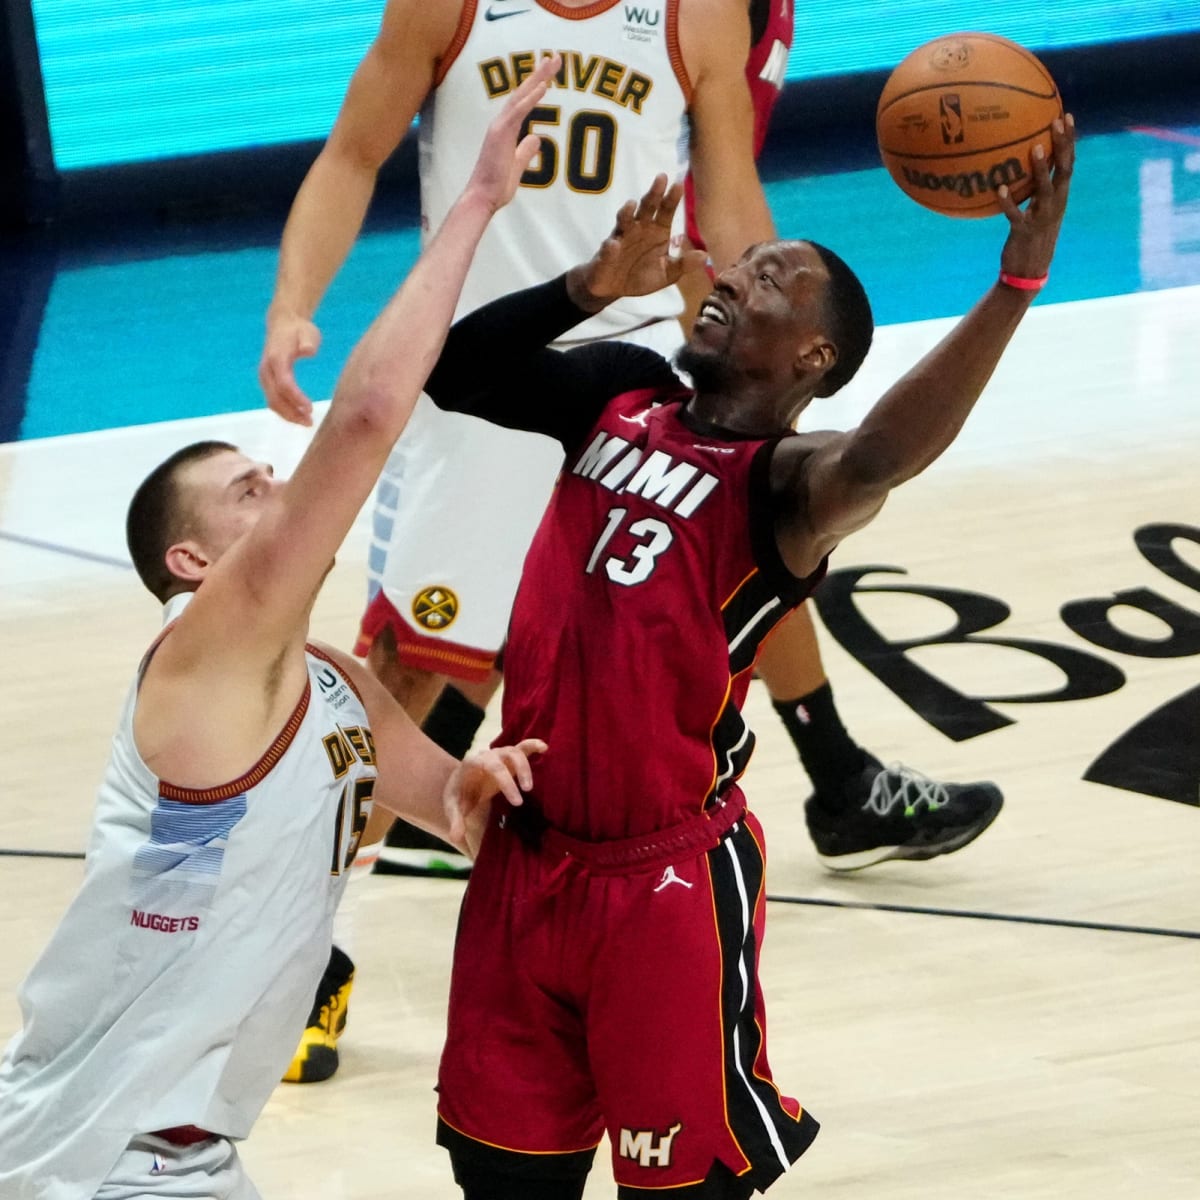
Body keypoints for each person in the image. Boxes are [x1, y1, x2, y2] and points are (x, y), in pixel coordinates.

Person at [259, 0, 1001, 1080]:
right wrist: (292, 304)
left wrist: (765, 321)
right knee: (410, 670)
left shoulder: (692, 16)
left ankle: (834, 779)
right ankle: (312, 958)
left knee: (747, 555)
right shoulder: (449, 7)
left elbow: (733, 191)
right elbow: (353, 152)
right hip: (490, 358)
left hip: (640, 356)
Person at [427, 121, 1075, 1198]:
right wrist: (582, 289)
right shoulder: (618, 392)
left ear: (812, 358)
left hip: (662, 887)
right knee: (498, 1182)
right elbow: (453, 372)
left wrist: (1015, 282)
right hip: (524, 863)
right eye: (742, 263)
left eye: (771, 281)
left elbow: (880, 455)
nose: (733, 275)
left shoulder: (786, 487)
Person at [0, 63, 559, 1200]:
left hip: (195, 1157)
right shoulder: (198, 655)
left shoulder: (338, 685)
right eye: (247, 492)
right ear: (192, 564)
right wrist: (478, 204)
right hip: (86, 1162)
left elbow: (456, 809)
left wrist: (490, 783)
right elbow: (362, 421)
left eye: (269, 476)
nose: (279, 492)